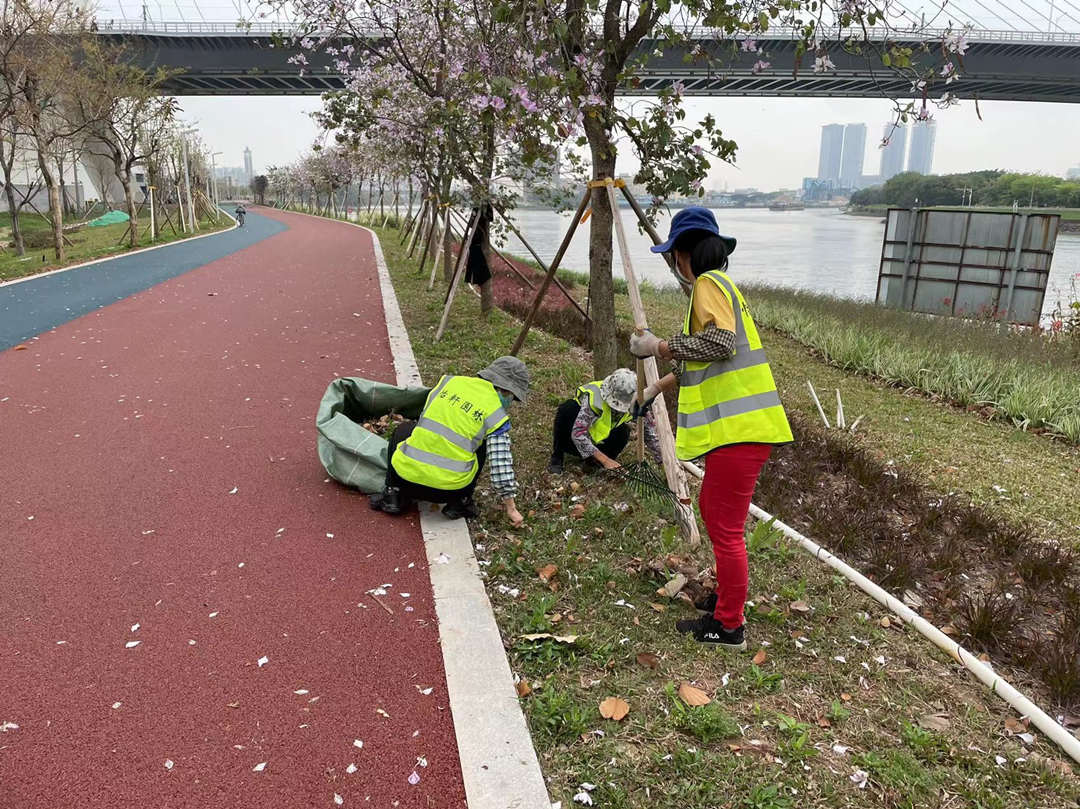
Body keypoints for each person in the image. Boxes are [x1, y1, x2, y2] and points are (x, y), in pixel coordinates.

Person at [629, 206, 793, 650]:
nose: (674, 264)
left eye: (673, 255)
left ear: (684, 253)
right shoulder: (721, 288)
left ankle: (729, 625)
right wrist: (652, 389)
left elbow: (718, 345)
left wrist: (658, 345)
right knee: (716, 511)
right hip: (741, 431)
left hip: (740, 430)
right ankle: (726, 601)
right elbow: (700, 364)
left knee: (724, 525)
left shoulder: (707, 284)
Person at [372, 356, 529, 527]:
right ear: (505, 390)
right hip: (448, 493)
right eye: (512, 398)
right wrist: (511, 509)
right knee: (481, 442)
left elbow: (425, 420)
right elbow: (500, 465)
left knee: (405, 429)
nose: (510, 403)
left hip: (405, 480)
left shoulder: (448, 383)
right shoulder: (496, 415)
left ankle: (392, 493)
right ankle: (460, 503)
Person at [548, 368, 662, 474]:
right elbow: (578, 434)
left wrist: (661, 461)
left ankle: (593, 463)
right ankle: (557, 457)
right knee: (566, 409)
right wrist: (606, 460)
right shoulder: (595, 398)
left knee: (623, 432)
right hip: (573, 442)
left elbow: (650, 434)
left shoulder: (639, 403)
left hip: (600, 442)